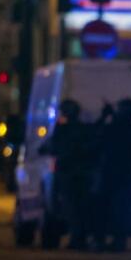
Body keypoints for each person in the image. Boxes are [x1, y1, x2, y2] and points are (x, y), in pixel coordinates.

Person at [39, 99, 95, 250]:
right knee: (81, 208)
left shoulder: (62, 130)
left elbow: (50, 147)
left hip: (67, 174)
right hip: (83, 174)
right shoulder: (84, 129)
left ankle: (77, 240)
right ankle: (81, 238)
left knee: (71, 209)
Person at [94, 98, 131, 252]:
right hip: (115, 175)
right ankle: (106, 240)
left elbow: (109, 134)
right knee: (107, 210)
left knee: (114, 211)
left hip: (117, 175)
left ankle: (113, 241)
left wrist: (108, 115)